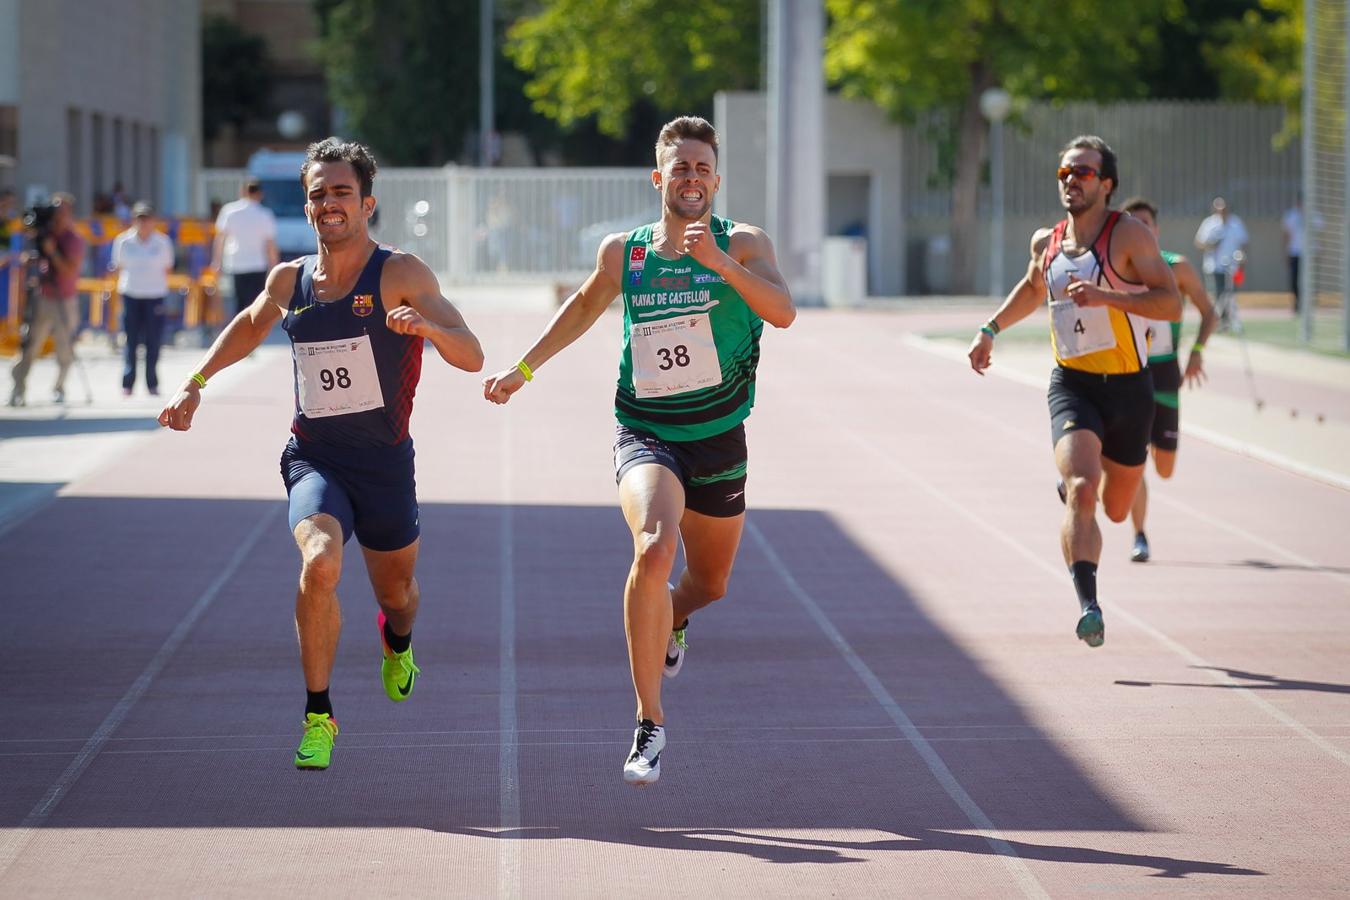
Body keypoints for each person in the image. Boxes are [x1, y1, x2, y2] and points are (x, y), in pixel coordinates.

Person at [482, 116, 795, 785]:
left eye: (702, 168)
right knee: (654, 547)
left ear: (716, 179)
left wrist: (719, 265)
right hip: (646, 430)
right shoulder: (624, 252)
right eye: (679, 168)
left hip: (718, 435)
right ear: (659, 178)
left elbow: (783, 311)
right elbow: (582, 308)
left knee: (710, 583)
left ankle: (672, 618)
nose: (691, 178)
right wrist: (523, 369)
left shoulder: (743, 243)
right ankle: (649, 723)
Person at [159, 138, 484, 770]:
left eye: (341, 192)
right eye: (318, 194)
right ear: (308, 205)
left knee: (398, 594)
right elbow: (249, 325)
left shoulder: (400, 273)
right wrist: (194, 383)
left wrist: (427, 329)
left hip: (384, 465)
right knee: (320, 562)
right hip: (315, 457)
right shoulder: (290, 279)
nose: (329, 203)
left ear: (367, 203)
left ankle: (398, 642)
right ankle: (319, 715)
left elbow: (472, 354)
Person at [967, 136, 1180, 648]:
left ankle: (1090, 484)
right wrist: (991, 329)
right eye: (1064, 172)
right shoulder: (1048, 242)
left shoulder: (1128, 236)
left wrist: (1108, 296)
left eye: (1082, 172)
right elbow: (1032, 288)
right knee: (1082, 489)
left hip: (1130, 389)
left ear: (1106, 184)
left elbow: (1171, 303)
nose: (1071, 180)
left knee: (1115, 508)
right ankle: (1089, 606)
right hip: (1073, 383)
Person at [1119, 198, 1219, 563]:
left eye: (1145, 223)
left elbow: (1209, 312)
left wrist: (1197, 351)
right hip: (1130, 373)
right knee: (1135, 462)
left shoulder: (1177, 268)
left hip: (1165, 374)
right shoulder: (1118, 269)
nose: (1139, 229)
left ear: (1156, 229)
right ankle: (1139, 535)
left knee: (1164, 468)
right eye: (1132, 224)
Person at [10, 193, 85, 407]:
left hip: (65, 299)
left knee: (64, 347)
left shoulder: (74, 239)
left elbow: (68, 270)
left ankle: (59, 388)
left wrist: (52, 252)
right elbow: (29, 259)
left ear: (70, 213)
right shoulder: (44, 235)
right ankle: (18, 389)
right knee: (30, 346)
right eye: (55, 210)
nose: (58, 215)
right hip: (42, 297)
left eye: (62, 211)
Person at [110, 202, 175, 396]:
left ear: (153, 221)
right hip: (131, 293)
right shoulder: (124, 241)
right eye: (140, 218)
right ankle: (128, 382)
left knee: (153, 340)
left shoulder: (162, 242)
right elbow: (118, 266)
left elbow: (168, 267)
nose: (143, 223)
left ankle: (152, 382)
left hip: (154, 294)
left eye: (147, 218)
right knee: (130, 339)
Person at [211, 178, 279, 316]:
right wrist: (274, 266)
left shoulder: (229, 211)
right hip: (257, 264)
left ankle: (239, 326)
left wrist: (216, 261)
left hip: (236, 263)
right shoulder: (265, 214)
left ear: (242, 192)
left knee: (239, 303)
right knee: (256, 304)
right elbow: (270, 244)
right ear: (260, 194)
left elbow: (220, 238)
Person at [1193, 197, 1247, 329]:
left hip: (1232, 266)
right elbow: (1198, 242)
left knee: (1230, 293)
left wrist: (1242, 259)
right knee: (1218, 293)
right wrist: (1210, 245)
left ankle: (1228, 320)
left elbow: (1243, 243)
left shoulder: (1236, 223)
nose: (1221, 211)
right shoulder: (1209, 223)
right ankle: (1218, 321)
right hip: (1214, 265)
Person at [1282, 198, 1303, 314]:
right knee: (1294, 280)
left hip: (1309, 255)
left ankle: (1307, 303)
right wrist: (1286, 252)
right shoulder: (1291, 215)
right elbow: (1286, 235)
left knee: (1308, 280)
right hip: (1295, 252)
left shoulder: (1313, 214)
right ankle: (1297, 303)